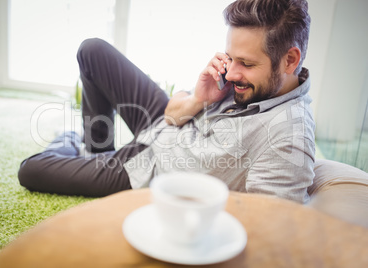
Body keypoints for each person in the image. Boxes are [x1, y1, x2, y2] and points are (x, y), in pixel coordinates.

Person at [18, 0, 315, 203]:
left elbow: (269, 224)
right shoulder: (241, 79)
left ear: (289, 60)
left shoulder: (288, 135)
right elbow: (171, 112)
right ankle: (96, 149)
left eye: (247, 64)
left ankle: (69, 140)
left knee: (31, 170)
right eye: (231, 57)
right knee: (91, 50)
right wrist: (199, 98)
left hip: (149, 167)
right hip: (166, 125)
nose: (232, 72)